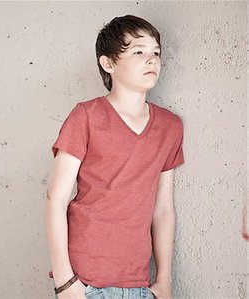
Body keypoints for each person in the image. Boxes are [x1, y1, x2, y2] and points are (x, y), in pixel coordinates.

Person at [46, 15, 184, 299]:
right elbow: (56, 198)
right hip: (84, 282)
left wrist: (164, 281)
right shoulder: (86, 116)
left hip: (139, 284)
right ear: (108, 63)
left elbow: (163, 209)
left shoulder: (170, 126)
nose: (152, 60)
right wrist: (65, 283)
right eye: (138, 52)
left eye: (156, 53)